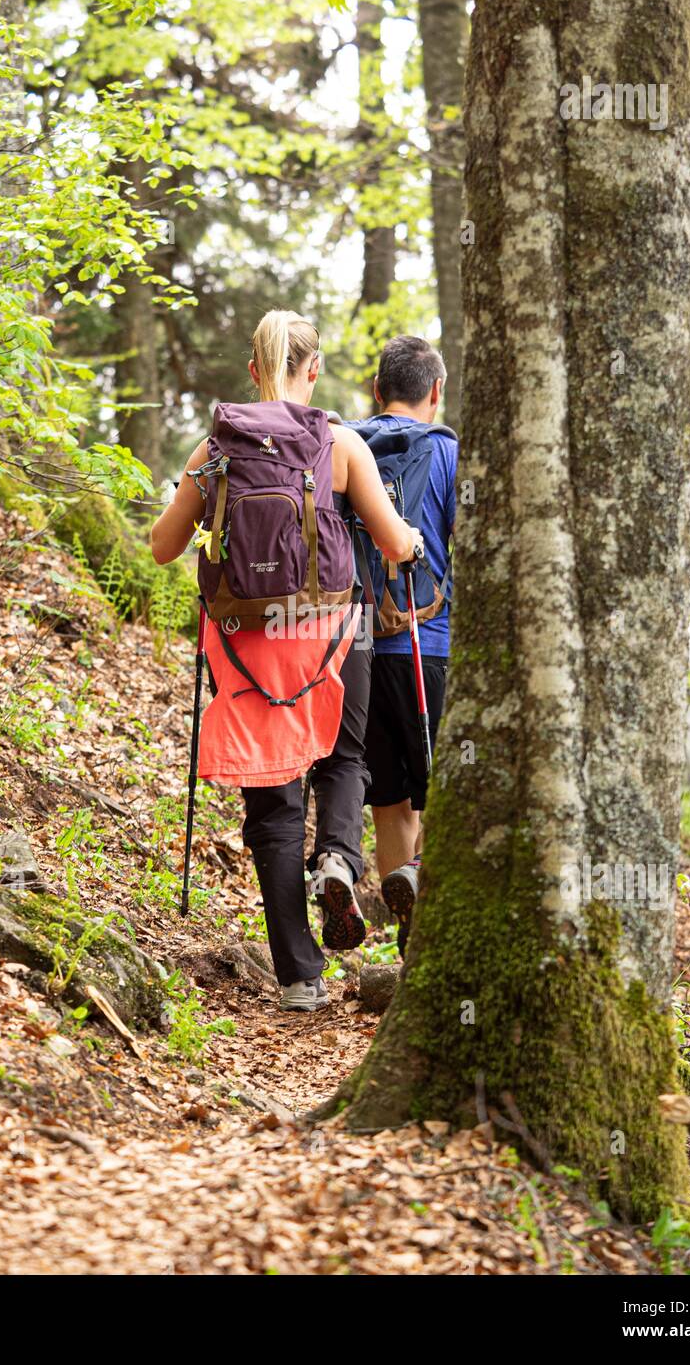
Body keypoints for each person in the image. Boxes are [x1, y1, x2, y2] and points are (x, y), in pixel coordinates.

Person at [151, 310, 421, 1012]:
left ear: (252, 371)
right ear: (314, 369)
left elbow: (160, 547)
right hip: (332, 629)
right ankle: (336, 856)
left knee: (270, 798)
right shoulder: (340, 444)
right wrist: (413, 542)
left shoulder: (214, 449)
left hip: (244, 640)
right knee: (343, 754)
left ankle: (299, 976)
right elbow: (393, 545)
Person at [348, 336, 457, 954]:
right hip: (427, 644)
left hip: (355, 649)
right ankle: (427, 936)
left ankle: (407, 932)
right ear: (435, 392)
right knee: (436, 794)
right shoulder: (447, 453)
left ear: (376, 389)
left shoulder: (344, 446)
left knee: (388, 800)